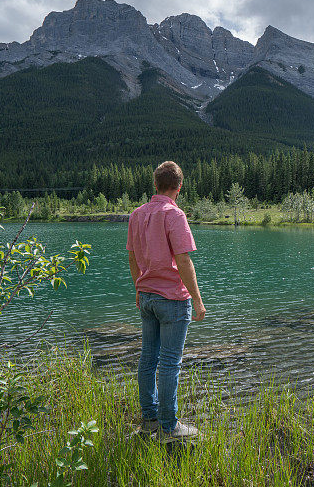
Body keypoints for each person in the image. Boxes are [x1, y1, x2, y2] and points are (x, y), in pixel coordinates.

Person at [126, 161, 206, 441]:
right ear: (179, 187)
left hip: (146, 297)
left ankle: (149, 421)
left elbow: (133, 257)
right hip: (172, 299)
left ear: (155, 185)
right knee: (170, 363)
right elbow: (183, 260)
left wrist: (139, 288)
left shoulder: (136, 214)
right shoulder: (175, 214)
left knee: (148, 359)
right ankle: (169, 427)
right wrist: (197, 300)